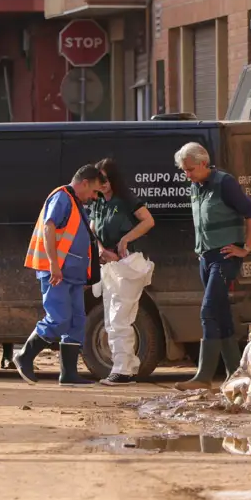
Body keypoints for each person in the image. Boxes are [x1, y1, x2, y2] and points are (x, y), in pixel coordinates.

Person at [171, 142, 251, 392]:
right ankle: (235, 374)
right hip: (206, 258)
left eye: (189, 169)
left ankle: (203, 376)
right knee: (221, 315)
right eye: (184, 170)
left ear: (203, 163)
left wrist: (246, 248)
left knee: (208, 311)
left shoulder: (225, 183)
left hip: (225, 258)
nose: (186, 174)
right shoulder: (195, 187)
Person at [12, 165, 106, 386]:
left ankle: (69, 374)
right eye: (94, 191)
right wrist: (54, 264)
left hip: (72, 275)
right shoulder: (62, 197)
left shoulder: (75, 203)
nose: (94, 197)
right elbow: (48, 227)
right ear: (84, 183)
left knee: (76, 322)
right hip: (57, 273)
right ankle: (24, 355)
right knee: (59, 318)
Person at [90, 158, 156, 386]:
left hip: (129, 263)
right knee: (110, 317)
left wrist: (125, 241)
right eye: (99, 180)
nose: (103, 183)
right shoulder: (98, 202)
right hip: (109, 266)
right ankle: (127, 366)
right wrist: (102, 251)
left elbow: (148, 221)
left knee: (120, 317)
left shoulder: (126, 199)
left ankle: (123, 370)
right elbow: (93, 230)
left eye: (106, 179)